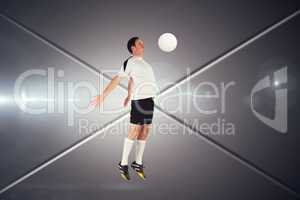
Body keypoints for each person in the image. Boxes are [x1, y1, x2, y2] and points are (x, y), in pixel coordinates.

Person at [90, 37, 158, 180]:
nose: (143, 44)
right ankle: (123, 163)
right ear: (133, 48)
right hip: (139, 101)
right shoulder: (130, 62)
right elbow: (117, 78)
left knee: (145, 131)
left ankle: (137, 163)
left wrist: (128, 94)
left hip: (149, 100)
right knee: (134, 131)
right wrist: (103, 95)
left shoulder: (144, 63)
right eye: (140, 43)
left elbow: (132, 80)